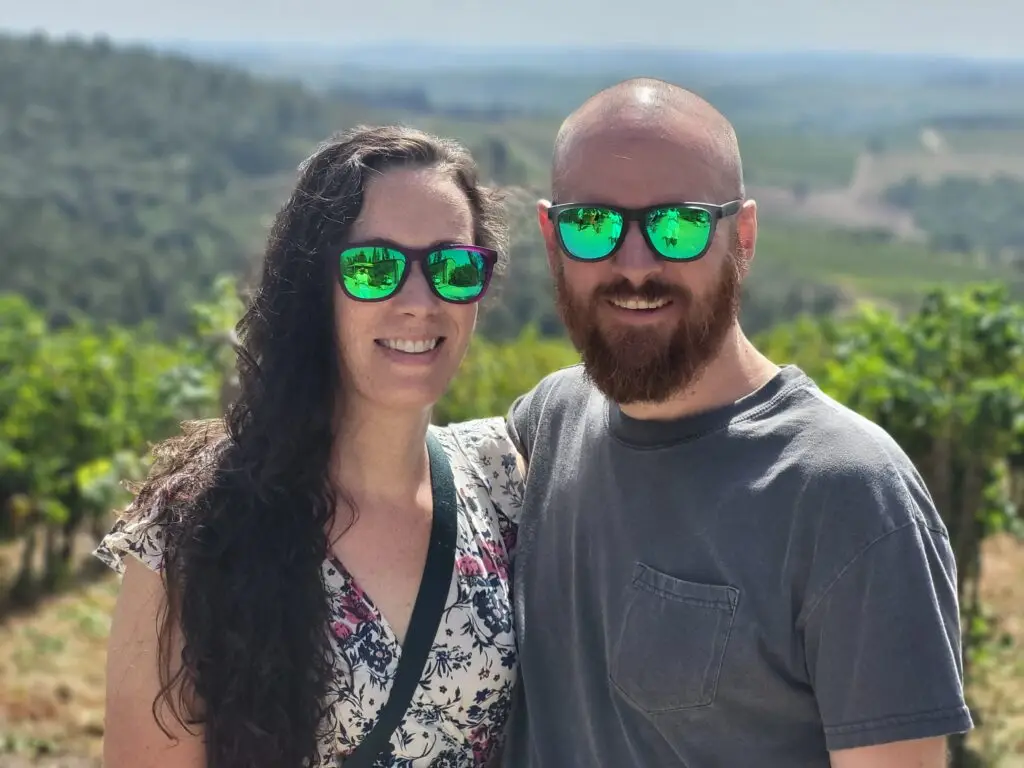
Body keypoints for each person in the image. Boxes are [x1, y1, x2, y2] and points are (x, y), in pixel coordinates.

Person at [502, 78, 973, 767]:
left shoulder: (849, 498)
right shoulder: (546, 424)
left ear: (742, 236)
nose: (634, 265)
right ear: (552, 238)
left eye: (680, 224)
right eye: (593, 224)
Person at [94, 125, 525, 768]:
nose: (419, 301)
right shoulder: (194, 528)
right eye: (374, 267)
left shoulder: (503, 479)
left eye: (453, 266)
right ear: (314, 290)